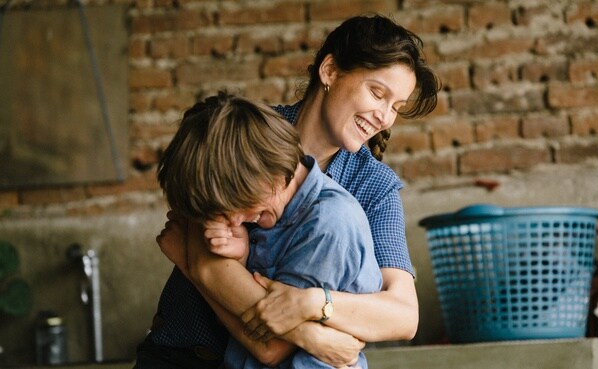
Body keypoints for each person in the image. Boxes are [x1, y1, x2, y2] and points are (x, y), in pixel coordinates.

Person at [138, 13, 440, 368]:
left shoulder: (373, 187)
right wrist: (313, 334)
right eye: (377, 93)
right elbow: (204, 256)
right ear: (329, 71)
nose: (385, 117)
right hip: (183, 357)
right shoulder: (246, 132)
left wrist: (314, 304)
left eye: (396, 108)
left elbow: (403, 316)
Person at [136, 91, 382, 369]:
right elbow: (242, 312)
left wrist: (191, 263)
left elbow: (270, 346)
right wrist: (238, 259)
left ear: (272, 177)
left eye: (234, 208)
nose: (233, 221)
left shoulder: (328, 224)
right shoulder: (266, 206)